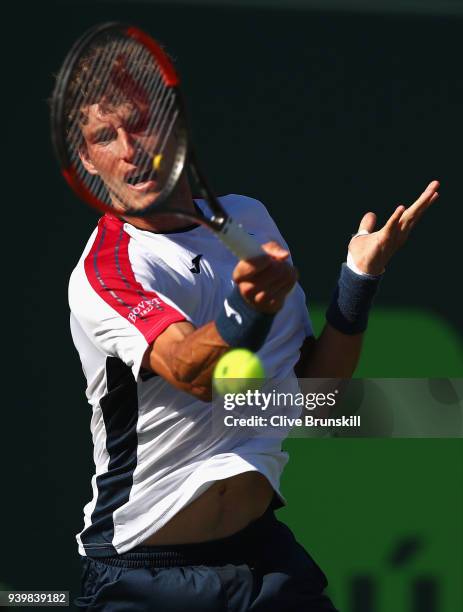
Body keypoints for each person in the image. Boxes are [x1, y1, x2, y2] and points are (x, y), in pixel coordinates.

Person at [67, 35, 439, 612]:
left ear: (176, 124)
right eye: (104, 137)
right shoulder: (106, 274)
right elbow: (192, 370)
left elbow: (317, 395)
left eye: (141, 124)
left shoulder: (244, 218)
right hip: (143, 579)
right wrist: (249, 312)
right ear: (87, 160)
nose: (130, 150)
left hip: (261, 562)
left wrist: (357, 282)